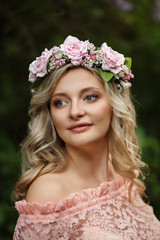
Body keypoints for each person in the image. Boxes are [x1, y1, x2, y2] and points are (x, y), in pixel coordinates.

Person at [13, 35, 160, 240]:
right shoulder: (49, 191)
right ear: (50, 114)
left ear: (113, 104)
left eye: (90, 97)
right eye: (60, 102)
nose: (75, 112)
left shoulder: (121, 172)